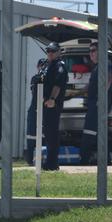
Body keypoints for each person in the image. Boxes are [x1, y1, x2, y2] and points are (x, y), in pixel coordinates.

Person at [79, 42, 112, 165]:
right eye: (90, 51)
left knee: (89, 133)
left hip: (98, 105)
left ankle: (83, 160)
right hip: (94, 104)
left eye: (94, 50)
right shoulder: (96, 67)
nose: (91, 54)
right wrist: (75, 93)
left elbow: (108, 80)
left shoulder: (106, 64)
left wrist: (101, 99)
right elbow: (91, 86)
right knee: (100, 133)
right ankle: (106, 159)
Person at [41, 42, 68, 171]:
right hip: (45, 104)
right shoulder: (48, 65)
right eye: (48, 51)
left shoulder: (59, 66)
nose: (50, 53)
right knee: (47, 132)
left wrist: (52, 99)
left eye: (52, 51)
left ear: (58, 52)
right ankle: (50, 161)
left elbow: (58, 84)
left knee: (52, 133)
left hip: (52, 104)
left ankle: (52, 163)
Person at [24, 58, 47, 166]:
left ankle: (42, 162)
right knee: (31, 138)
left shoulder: (49, 78)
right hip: (34, 110)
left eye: (45, 65)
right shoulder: (35, 78)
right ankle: (29, 162)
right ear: (38, 67)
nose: (43, 67)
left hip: (45, 111)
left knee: (44, 139)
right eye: (41, 65)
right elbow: (36, 90)